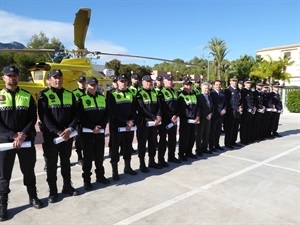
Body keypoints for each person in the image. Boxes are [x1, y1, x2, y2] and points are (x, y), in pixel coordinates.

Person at [0, 65, 43, 222]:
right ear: (4, 78)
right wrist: (12, 135)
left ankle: (33, 197)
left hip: (25, 141)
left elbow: (32, 118)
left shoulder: (27, 95)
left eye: (15, 75)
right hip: (5, 142)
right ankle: (2, 205)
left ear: (18, 77)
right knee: (3, 175)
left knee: (28, 171)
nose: (12, 77)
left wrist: (23, 134)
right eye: (9, 75)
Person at [38, 69, 79, 204]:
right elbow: (44, 117)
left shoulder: (70, 94)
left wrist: (70, 128)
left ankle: (67, 186)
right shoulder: (44, 95)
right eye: (54, 78)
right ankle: (53, 190)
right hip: (52, 136)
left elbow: (75, 114)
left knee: (66, 161)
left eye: (60, 77)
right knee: (51, 164)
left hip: (67, 135)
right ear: (49, 80)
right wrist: (57, 131)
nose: (57, 80)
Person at [77, 77, 109, 191]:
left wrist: (100, 126)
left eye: (95, 85)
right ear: (87, 86)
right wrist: (92, 127)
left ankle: (100, 176)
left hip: (99, 131)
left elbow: (106, 114)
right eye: (91, 85)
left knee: (100, 155)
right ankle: (87, 181)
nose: (93, 87)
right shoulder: (82, 99)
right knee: (88, 158)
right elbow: (80, 116)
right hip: (87, 132)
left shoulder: (102, 98)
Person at [107, 74, 137, 181]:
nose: (123, 83)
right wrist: (126, 121)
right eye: (121, 81)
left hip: (129, 126)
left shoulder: (131, 94)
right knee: (115, 148)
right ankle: (115, 171)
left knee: (128, 147)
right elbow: (113, 111)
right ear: (117, 82)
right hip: (117, 126)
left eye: (125, 81)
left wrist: (132, 121)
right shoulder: (112, 94)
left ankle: (127, 167)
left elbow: (134, 109)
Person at [136, 75, 162, 172]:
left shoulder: (154, 92)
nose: (149, 83)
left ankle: (152, 161)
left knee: (153, 143)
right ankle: (142, 164)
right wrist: (154, 117)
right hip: (144, 123)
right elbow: (141, 108)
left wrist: (158, 116)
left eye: (150, 81)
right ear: (142, 82)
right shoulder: (139, 94)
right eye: (146, 81)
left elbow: (159, 106)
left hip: (154, 123)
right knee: (142, 144)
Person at [157, 75, 181, 165]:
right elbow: (162, 107)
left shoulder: (174, 92)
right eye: (168, 80)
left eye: (171, 80)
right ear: (164, 81)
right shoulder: (160, 92)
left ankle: (171, 156)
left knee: (173, 139)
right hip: (165, 120)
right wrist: (170, 116)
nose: (170, 82)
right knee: (163, 140)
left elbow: (177, 105)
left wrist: (176, 115)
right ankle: (161, 159)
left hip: (173, 120)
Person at [177, 77, 199, 161]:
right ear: (183, 86)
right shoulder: (181, 95)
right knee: (184, 138)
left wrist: (197, 116)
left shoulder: (193, 94)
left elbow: (197, 107)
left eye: (190, 85)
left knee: (192, 137)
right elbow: (183, 109)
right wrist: (190, 117)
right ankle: (181, 154)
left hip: (194, 120)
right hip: (185, 120)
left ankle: (189, 152)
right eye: (187, 85)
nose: (188, 87)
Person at [224, 76, 243, 149]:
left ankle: (233, 141)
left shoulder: (238, 90)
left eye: (236, 81)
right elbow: (228, 102)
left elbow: (240, 100)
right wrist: (236, 108)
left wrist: (241, 106)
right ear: (230, 82)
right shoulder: (228, 90)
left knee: (235, 127)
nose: (235, 83)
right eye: (233, 81)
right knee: (230, 128)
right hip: (231, 112)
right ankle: (228, 143)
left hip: (238, 111)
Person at [195, 82, 214, 155]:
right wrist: (206, 115)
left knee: (206, 134)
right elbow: (199, 108)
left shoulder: (209, 96)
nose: (207, 90)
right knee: (199, 135)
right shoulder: (199, 96)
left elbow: (212, 107)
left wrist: (211, 114)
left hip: (209, 118)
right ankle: (198, 150)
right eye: (205, 88)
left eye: (208, 88)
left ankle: (205, 148)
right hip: (202, 118)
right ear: (202, 89)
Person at [72, 75, 86, 165]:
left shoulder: (88, 92)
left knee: (87, 139)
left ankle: (87, 155)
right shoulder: (74, 93)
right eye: (80, 82)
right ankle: (80, 157)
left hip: (87, 119)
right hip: (78, 121)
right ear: (77, 83)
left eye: (83, 82)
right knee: (78, 140)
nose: (82, 84)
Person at [209, 80, 226, 151]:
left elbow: (225, 103)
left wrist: (224, 109)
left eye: (219, 84)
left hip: (221, 115)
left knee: (218, 131)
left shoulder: (222, 93)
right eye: (217, 84)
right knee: (213, 131)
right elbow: (212, 105)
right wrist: (219, 111)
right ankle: (211, 146)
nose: (218, 86)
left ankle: (217, 144)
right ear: (213, 85)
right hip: (215, 114)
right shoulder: (211, 93)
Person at [240, 79, 256, 145]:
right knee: (244, 126)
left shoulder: (251, 91)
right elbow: (245, 101)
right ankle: (243, 139)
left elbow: (253, 100)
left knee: (249, 125)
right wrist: (250, 108)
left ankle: (248, 138)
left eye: (250, 83)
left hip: (251, 110)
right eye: (247, 83)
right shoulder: (243, 91)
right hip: (246, 110)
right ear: (245, 84)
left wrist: (254, 107)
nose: (249, 84)